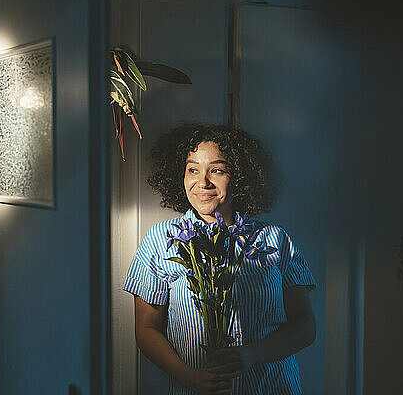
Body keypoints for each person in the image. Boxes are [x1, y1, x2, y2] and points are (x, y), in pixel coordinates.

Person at [122, 123, 317, 395]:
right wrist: (190, 377)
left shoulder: (276, 240)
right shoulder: (159, 239)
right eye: (193, 170)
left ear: (239, 175)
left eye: (217, 170)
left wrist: (251, 354)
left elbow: (305, 327)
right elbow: (145, 329)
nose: (202, 182)